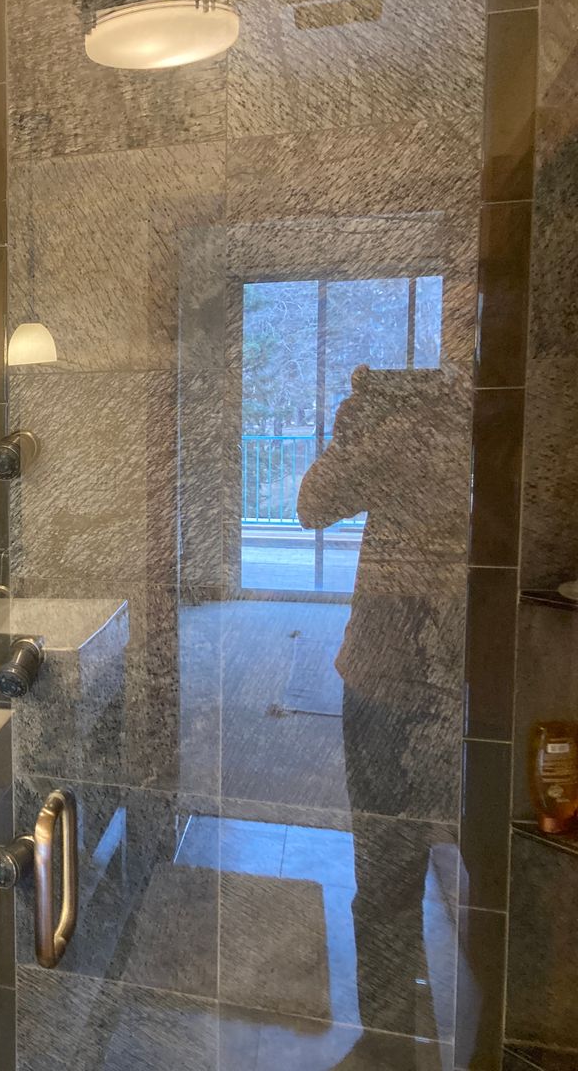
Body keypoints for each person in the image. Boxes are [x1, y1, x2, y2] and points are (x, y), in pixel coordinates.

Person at [297, 364, 468, 1064]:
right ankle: (425, 1018)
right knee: (455, 868)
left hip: (393, 679)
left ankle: (391, 1041)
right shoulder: (475, 423)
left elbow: (311, 503)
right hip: (464, 674)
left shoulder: (403, 436)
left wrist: (359, 430)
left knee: (386, 871)